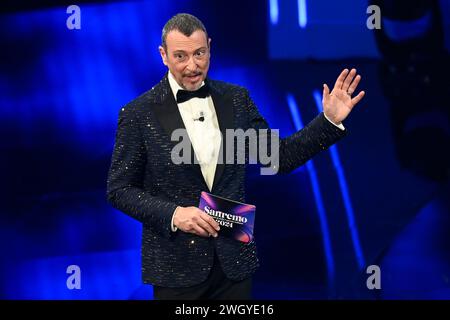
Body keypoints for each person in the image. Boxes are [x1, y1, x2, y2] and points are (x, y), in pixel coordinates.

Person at [106, 13, 365, 300]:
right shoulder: (138, 114)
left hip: (234, 265)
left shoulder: (235, 99)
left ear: (210, 48)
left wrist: (327, 121)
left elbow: (278, 158)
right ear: (163, 55)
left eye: (199, 54)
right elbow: (120, 190)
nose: (192, 66)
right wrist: (174, 215)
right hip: (176, 268)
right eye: (180, 56)